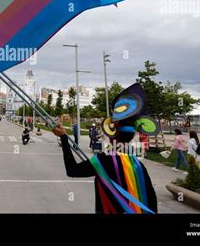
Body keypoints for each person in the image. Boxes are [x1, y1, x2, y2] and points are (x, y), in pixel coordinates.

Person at [53, 83, 159, 214]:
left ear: (112, 135)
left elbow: (72, 170)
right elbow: (152, 202)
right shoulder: (139, 166)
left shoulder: (102, 160)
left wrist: (64, 138)